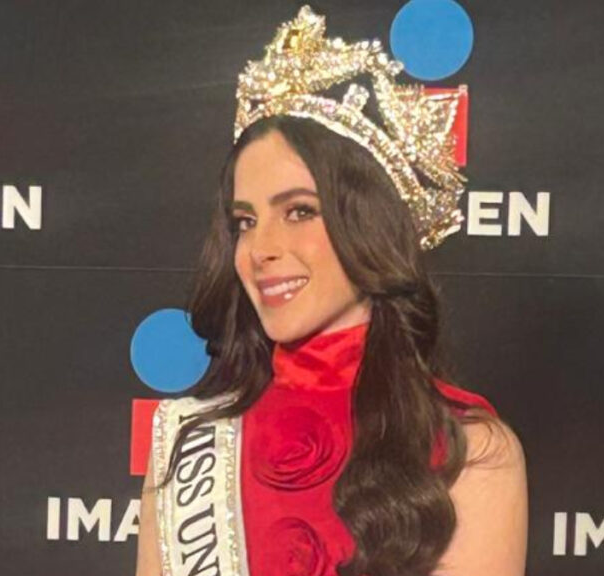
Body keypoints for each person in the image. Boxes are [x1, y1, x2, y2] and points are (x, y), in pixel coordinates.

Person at [136, 6, 527, 576]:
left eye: (299, 211)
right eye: (245, 221)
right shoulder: (189, 439)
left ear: (369, 226)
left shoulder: (467, 446)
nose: (260, 248)